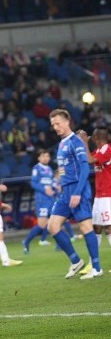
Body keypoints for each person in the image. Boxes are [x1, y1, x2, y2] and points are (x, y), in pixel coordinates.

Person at [48, 109, 101, 279]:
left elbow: (85, 168)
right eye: (53, 125)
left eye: (58, 123)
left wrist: (77, 193)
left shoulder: (75, 141)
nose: (55, 127)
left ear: (67, 122)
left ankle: (97, 268)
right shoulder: (62, 143)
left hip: (78, 190)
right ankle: (76, 261)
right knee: (53, 226)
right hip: (66, 192)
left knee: (86, 227)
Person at [78, 128, 111, 273]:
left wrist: (85, 142)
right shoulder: (99, 150)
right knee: (96, 228)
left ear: (97, 137)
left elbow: (91, 160)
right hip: (99, 196)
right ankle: (93, 264)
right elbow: (87, 158)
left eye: (93, 135)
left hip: (107, 195)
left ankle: (93, 265)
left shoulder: (107, 149)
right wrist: (81, 143)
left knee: (109, 228)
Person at [22, 149, 56, 253]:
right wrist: (45, 190)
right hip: (42, 200)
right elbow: (34, 184)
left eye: (47, 156)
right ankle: (26, 241)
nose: (45, 158)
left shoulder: (50, 169)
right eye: (43, 156)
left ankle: (58, 244)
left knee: (56, 221)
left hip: (51, 199)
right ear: (39, 158)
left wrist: (55, 188)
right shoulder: (37, 168)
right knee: (42, 225)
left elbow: (51, 183)